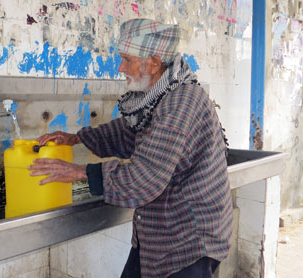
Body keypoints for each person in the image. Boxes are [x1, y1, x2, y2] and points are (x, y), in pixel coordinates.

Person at [28, 18, 233, 278]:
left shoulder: (181, 102)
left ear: (154, 63)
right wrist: (76, 138)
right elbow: (129, 132)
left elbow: (144, 178)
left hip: (188, 237)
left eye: (127, 59)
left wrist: (81, 172)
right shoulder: (159, 94)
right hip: (159, 231)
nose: (120, 67)